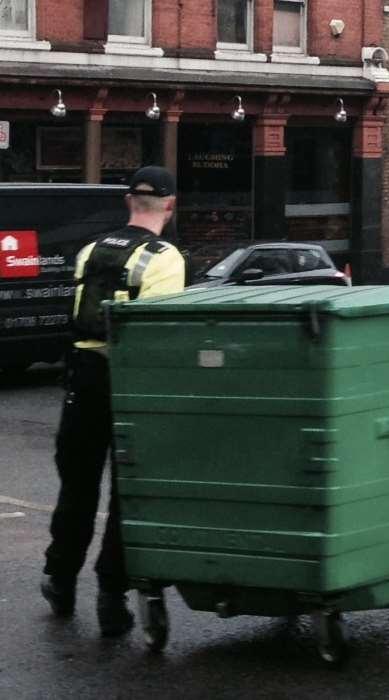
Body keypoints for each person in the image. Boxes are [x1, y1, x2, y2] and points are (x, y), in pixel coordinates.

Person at [41, 166, 185, 636]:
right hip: (129, 382)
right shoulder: (165, 258)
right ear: (170, 204)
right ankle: (111, 594)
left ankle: (59, 580)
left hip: (81, 379)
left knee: (77, 486)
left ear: (128, 202)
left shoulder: (89, 250)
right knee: (129, 493)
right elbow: (159, 337)